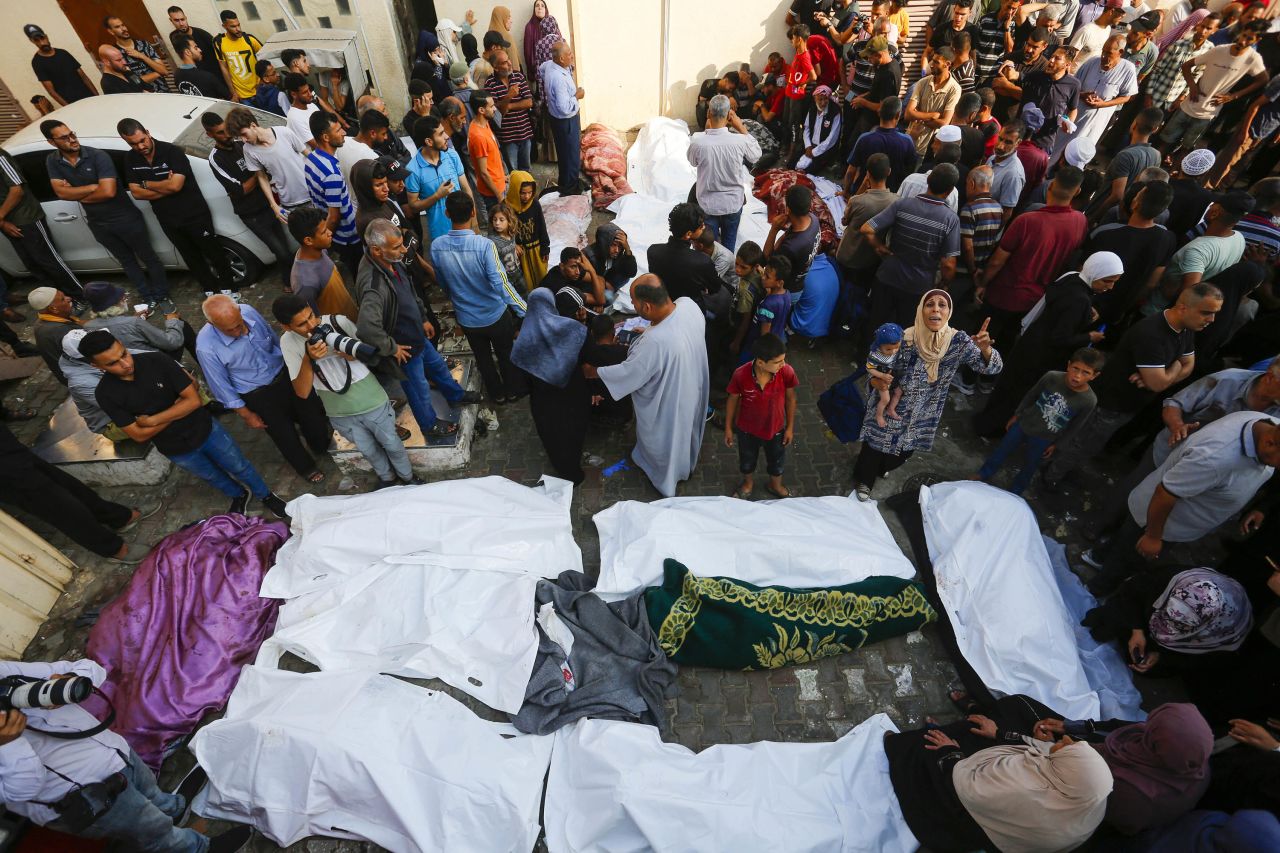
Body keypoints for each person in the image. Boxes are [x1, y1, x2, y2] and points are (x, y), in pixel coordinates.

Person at [0, 657, 253, 852]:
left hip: (113, 751)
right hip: (90, 796)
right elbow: (22, 789)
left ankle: (173, 808)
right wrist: (8, 743)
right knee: (155, 833)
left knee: (152, 793)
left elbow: (90, 668)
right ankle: (196, 848)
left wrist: (68, 678)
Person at [84, 330, 289, 519]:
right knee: (212, 476)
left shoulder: (157, 360)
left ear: (122, 344)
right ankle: (238, 494)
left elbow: (194, 401)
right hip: (175, 448)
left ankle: (265, 495)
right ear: (96, 366)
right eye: (113, 363)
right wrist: (177, 408)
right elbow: (138, 435)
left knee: (239, 466)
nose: (125, 363)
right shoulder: (105, 394)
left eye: (124, 354)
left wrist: (152, 420)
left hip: (206, 430)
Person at [1042, 283, 1219, 490]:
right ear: (1183, 308)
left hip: (1125, 406)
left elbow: (1189, 366)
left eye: (1214, 313)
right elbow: (1160, 381)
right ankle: (1050, 476)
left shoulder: (1185, 329)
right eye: (1206, 312)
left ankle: (1060, 470)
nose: (1211, 320)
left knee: (1090, 444)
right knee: (1081, 443)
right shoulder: (1152, 334)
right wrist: (1173, 367)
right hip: (1110, 403)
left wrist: (1166, 373)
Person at [1085, 411, 1278, 595]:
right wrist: (1153, 537)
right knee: (1128, 558)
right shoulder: (1215, 459)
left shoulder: (1268, 424)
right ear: (1270, 443)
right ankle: (1096, 588)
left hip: (1170, 522)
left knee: (1122, 544)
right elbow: (1164, 495)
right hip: (1156, 522)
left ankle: (1098, 556)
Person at [852, 290, 1000, 500]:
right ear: (921, 309)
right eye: (930, 304)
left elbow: (992, 368)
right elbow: (877, 366)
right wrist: (877, 382)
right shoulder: (904, 338)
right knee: (874, 446)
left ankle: (881, 466)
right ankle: (864, 480)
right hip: (891, 404)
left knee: (903, 452)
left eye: (942, 305)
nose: (936, 309)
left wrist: (985, 350)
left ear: (949, 311)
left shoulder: (957, 342)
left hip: (923, 412)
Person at [884, 721, 1112, 853]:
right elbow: (1045, 752)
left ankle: (897, 746)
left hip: (958, 815)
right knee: (977, 731)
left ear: (1067, 770)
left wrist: (950, 752)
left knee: (933, 746)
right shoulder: (1088, 797)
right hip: (993, 826)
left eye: (1066, 748)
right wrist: (999, 734)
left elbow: (966, 788)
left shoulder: (1021, 788)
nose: (1065, 741)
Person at [270, 294, 414, 490]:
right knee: (368, 451)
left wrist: (353, 356)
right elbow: (302, 393)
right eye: (302, 324)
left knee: (392, 444)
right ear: (286, 327)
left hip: (371, 401)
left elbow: (371, 354)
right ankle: (387, 479)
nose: (312, 325)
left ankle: (408, 478)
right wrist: (308, 359)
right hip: (338, 410)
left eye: (312, 315)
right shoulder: (287, 342)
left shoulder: (338, 323)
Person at [974, 250, 1119, 436]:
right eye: (1107, 280)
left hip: (1031, 342)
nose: (1111, 287)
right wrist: (1089, 337)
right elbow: (1060, 337)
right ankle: (993, 429)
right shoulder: (1079, 299)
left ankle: (987, 423)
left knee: (1008, 386)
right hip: (1041, 357)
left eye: (1114, 281)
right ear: (1095, 273)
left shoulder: (1072, 278)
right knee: (1018, 394)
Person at [592, 276, 710, 497]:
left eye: (635, 304)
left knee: (668, 437)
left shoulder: (654, 342)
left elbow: (630, 373)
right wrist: (649, 332)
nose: (634, 307)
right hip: (692, 382)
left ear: (647, 306)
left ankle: (664, 477)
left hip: (669, 398)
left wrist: (596, 372)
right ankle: (683, 466)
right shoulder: (688, 305)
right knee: (684, 431)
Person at [196, 295, 332, 482]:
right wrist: (247, 414)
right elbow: (221, 387)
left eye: (240, 323)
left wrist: (295, 363)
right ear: (211, 324)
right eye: (231, 330)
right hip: (257, 393)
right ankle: (306, 467)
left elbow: (274, 338)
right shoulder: (206, 347)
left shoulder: (248, 310)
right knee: (284, 434)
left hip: (285, 374)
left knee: (312, 414)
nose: (240, 331)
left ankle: (321, 445)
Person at [42, 120, 171, 307]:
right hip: (98, 223)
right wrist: (93, 187)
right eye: (65, 137)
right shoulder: (52, 161)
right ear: (52, 142)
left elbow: (108, 191)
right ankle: (147, 297)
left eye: (72, 134)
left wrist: (79, 194)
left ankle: (162, 295)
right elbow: (61, 193)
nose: (72, 139)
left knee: (149, 257)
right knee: (126, 261)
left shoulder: (97, 156)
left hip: (125, 218)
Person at [356, 220, 463, 441]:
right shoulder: (373, 285)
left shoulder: (391, 261)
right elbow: (367, 328)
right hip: (405, 350)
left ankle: (457, 395)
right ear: (376, 250)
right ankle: (429, 425)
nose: (404, 250)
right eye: (397, 247)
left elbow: (410, 291)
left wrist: (423, 317)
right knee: (419, 391)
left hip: (418, 337)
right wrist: (391, 348)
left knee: (439, 369)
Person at [972, 165, 1087, 362]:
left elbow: (998, 260)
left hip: (1004, 293)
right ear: (1077, 191)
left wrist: (983, 283)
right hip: (1037, 300)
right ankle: (988, 379)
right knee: (1008, 340)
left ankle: (968, 377)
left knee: (984, 336)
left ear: (1049, 187)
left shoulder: (1027, 220)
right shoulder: (1080, 221)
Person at [0, 423, 154, 562]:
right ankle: (113, 548)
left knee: (67, 484)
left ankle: (118, 517)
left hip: (9, 450)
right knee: (56, 505)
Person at [118, 118, 237, 296]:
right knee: (190, 257)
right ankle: (210, 289)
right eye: (133, 144)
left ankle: (230, 288)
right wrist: (162, 185)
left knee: (213, 252)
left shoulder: (171, 151)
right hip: (167, 219)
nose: (140, 146)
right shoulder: (130, 158)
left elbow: (175, 186)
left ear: (148, 133)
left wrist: (146, 183)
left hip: (194, 214)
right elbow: (136, 192)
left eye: (142, 140)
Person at [430, 192, 528, 402]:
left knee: (483, 358)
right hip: (495, 315)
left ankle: (497, 394)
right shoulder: (485, 246)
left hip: (467, 319)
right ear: (474, 212)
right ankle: (512, 391)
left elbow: (443, 282)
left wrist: (457, 299)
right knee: (505, 354)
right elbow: (502, 284)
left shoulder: (437, 246)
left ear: (447, 213)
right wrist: (525, 310)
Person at [1085, 565, 1255, 680]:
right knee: (1106, 622)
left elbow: (1196, 662)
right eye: (1168, 612)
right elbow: (1131, 592)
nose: (1167, 626)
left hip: (1174, 650)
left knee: (1140, 663)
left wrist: (1160, 657)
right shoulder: (1169, 580)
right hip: (1144, 614)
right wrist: (1137, 629)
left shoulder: (1221, 634)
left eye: (1181, 625)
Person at [976, 347, 1103, 494]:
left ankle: (1015, 492)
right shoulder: (1052, 377)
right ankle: (983, 473)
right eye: (1075, 368)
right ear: (1069, 365)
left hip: (1045, 438)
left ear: (1095, 375)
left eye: (1086, 372)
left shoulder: (1089, 400)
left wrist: (1057, 445)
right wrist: (1017, 415)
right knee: (1002, 450)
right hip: (1024, 424)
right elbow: (1031, 395)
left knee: (1031, 465)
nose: (1077, 376)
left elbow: (1076, 426)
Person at [861, 166, 962, 330]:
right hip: (918, 286)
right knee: (905, 329)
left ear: (928, 181)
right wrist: (944, 285)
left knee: (875, 322)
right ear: (950, 190)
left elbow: (867, 229)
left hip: (888, 275)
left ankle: (865, 353)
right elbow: (949, 265)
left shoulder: (902, 204)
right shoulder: (950, 220)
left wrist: (879, 247)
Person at [510, 287, 594, 483]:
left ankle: (567, 471)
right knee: (575, 430)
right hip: (575, 395)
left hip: (545, 404)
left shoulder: (522, 343)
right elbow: (590, 358)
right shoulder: (574, 330)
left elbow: (520, 387)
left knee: (554, 438)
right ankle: (575, 462)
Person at [200, 111, 295, 285]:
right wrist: (259, 174)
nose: (227, 134)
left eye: (226, 129)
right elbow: (241, 190)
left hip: (269, 205)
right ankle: (292, 282)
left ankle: (288, 281)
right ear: (210, 134)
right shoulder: (215, 159)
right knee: (280, 251)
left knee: (284, 249)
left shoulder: (242, 145)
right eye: (220, 132)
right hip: (252, 214)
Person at [1160, 21, 1269, 159]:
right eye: (1244, 35)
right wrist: (1192, 87)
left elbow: (1263, 80)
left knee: (1186, 149)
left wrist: (1234, 96)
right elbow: (1186, 66)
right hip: (1188, 105)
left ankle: (1178, 174)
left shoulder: (1253, 59)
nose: (1243, 40)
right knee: (1165, 142)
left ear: (1257, 40)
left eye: (1249, 38)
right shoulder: (1219, 50)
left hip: (1208, 113)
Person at [1087, 180, 1177, 328]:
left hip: (1091, 306)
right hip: (1120, 311)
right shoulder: (1168, 239)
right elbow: (1152, 283)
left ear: (1135, 203)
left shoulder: (1107, 235)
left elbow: (1084, 272)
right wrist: (1127, 306)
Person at [0, 147, 84, 299]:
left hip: (26, 218)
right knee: (32, 264)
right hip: (7, 222)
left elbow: (17, 190)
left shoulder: (1, 157)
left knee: (47, 261)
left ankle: (79, 296)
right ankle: (56, 300)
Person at [724, 333, 798, 499]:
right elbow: (732, 400)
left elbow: (791, 399)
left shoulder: (786, 372)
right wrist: (728, 428)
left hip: (777, 429)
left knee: (777, 461)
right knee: (747, 460)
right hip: (746, 431)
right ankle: (748, 484)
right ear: (760, 363)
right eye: (777, 362)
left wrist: (790, 428)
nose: (783, 364)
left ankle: (775, 485)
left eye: (783, 360)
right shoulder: (740, 375)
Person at [688, 95, 762, 252]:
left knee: (710, 248)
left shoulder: (698, 141)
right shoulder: (740, 141)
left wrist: (706, 132)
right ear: (730, 115)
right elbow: (756, 155)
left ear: (708, 113)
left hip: (708, 205)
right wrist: (741, 126)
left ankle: (712, 270)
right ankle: (727, 268)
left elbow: (692, 161)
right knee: (728, 248)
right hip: (733, 204)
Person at [225, 107, 311, 227]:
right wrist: (274, 205)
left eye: (244, 134)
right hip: (289, 204)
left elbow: (308, 154)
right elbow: (261, 177)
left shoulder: (283, 132)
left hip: (312, 194)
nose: (244, 140)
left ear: (253, 125)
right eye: (240, 137)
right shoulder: (248, 150)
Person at [1058, 34, 1138, 160]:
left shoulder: (1128, 69)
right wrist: (1083, 95)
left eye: (1109, 53)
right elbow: (1072, 88)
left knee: (1078, 156)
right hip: (1073, 118)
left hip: (1094, 125)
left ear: (1120, 52)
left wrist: (1102, 104)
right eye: (1103, 52)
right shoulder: (1091, 62)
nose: (1103, 56)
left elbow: (1127, 96)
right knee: (1058, 151)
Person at [303, 110, 362, 277]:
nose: (344, 132)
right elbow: (334, 216)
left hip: (339, 237)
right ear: (325, 137)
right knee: (361, 275)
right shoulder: (331, 174)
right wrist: (324, 241)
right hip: (348, 237)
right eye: (338, 130)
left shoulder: (312, 158)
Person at [83, 281, 195, 363]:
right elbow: (172, 343)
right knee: (183, 327)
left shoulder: (88, 327)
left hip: (128, 363)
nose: (124, 299)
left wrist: (133, 319)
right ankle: (206, 363)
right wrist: (172, 320)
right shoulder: (134, 322)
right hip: (155, 363)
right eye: (121, 298)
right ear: (115, 304)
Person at [405, 114, 473, 242]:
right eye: (441, 134)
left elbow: (466, 189)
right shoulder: (413, 170)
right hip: (440, 235)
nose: (447, 136)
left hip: (464, 228)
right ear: (429, 141)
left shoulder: (452, 155)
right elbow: (413, 206)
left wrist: (472, 219)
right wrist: (437, 195)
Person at [285, 204, 359, 318]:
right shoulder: (305, 284)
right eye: (324, 232)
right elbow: (314, 322)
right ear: (308, 240)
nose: (330, 233)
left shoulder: (320, 250)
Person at [648, 202, 725, 309]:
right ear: (688, 234)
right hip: (692, 309)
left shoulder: (653, 251)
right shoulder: (702, 261)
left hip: (663, 305)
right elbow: (715, 287)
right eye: (701, 226)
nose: (704, 227)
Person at [835, 153, 897, 281]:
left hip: (847, 256)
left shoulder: (857, 201)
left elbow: (845, 221)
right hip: (870, 260)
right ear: (889, 172)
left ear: (867, 174)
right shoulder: (896, 201)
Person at [1144, 12, 1221, 115]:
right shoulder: (1178, 45)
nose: (1203, 31)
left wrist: (1181, 98)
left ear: (1215, 30)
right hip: (1156, 95)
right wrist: (1148, 94)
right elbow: (1157, 69)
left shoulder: (1209, 51)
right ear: (1198, 25)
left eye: (1208, 28)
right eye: (1202, 26)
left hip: (1173, 102)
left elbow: (1196, 76)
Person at [843, 97, 917, 193]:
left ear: (879, 113)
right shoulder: (907, 141)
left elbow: (851, 171)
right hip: (891, 195)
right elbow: (909, 172)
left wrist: (846, 192)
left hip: (862, 194)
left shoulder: (865, 139)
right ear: (898, 115)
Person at [541, 41, 584, 195]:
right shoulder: (557, 78)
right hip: (566, 121)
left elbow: (541, 69)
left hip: (557, 119)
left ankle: (565, 183)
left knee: (564, 154)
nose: (572, 56)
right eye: (568, 54)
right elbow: (564, 108)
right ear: (560, 59)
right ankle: (571, 190)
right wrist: (577, 96)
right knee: (571, 157)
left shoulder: (548, 65)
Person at [764, 185, 821, 294]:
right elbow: (787, 236)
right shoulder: (813, 219)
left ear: (788, 209)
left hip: (788, 290)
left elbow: (767, 257)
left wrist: (774, 230)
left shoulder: (791, 248)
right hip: (801, 280)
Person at [484, 49, 535, 173]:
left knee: (526, 169)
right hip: (507, 137)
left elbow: (529, 102)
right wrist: (509, 96)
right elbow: (495, 112)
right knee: (513, 171)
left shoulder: (518, 76)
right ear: (496, 68)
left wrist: (509, 106)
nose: (510, 63)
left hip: (524, 132)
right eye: (505, 62)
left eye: (509, 60)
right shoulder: (489, 84)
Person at [906, 48, 963, 156]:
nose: (931, 65)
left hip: (929, 149)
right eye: (932, 60)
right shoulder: (922, 82)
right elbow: (908, 114)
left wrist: (918, 117)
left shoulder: (955, 89)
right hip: (911, 142)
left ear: (947, 64)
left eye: (936, 62)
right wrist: (933, 115)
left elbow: (944, 123)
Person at [168, 5, 233, 96]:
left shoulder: (202, 35)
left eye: (182, 19)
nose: (181, 23)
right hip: (199, 82)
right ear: (171, 21)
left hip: (216, 79)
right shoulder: (174, 37)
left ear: (186, 18)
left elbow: (221, 58)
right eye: (176, 20)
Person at [26, 24, 97, 106]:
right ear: (32, 41)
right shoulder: (37, 62)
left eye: (42, 38)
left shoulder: (63, 53)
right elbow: (51, 91)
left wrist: (97, 96)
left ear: (46, 37)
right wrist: (68, 108)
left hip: (89, 97)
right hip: (72, 104)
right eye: (36, 40)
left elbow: (83, 76)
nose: (42, 43)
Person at [505, 171, 549, 292]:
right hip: (520, 254)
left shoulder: (534, 204)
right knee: (526, 284)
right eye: (523, 193)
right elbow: (501, 233)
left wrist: (545, 247)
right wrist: (513, 244)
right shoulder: (506, 208)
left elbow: (542, 225)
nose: (527, 196)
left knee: (542, 278)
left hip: (536, 249)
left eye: (530, 192)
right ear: (514, 190)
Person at [781, 25, 818, 162]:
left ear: (800, 39)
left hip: (797, 96)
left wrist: (803, 83)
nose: (792, 40)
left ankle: (792, 154)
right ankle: (786, 147)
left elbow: (814, 76)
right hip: (790, 92)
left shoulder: (805, 57)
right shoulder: (798, 52)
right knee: (787, 121)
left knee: (794, 124)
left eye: (794, 38)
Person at [104, 15, 168, 93]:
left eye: (123, 25)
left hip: (164, 91)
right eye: (117, 27)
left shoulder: (144, 44)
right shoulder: (116, 53)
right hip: (143, 97)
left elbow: (164, 71)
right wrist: (158, 73)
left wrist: (142, 56)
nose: (123, 29)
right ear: (110, 31)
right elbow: (130, 82)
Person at [467, 92, 507, 217]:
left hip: (498, 184)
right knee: (499, 226)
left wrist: (502, 177)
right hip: (493, 193)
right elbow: (483, 172)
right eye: (491, 106)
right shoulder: (479, 137)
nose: (495, 108)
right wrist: (499, 196)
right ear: (481, 110)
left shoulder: (484, 124)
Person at [28, 287, 78, 381]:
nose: (69, 298)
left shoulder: (41, 321)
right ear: (53, 309)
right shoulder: (62, 331)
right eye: (63, 299)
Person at [213, 10, 263, 102]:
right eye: (233, 26)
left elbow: (265, 58)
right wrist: (233, 93)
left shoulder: (249, 39)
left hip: (260, 90)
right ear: (224, 26)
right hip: (241, 95)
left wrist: (263, 81)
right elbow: (223, 68)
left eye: (238, 25)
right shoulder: (219, 42)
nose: (238, 29)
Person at [795, 85, 842, 173]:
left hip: (824, 149)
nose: (823, 103)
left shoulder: (835, 112)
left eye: (826, 99)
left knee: (808, 171)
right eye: (820, 99)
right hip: (810, 146)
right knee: (791, 164)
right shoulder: (812, 109)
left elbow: (832, 139)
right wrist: (808, 146)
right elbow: (806, 128)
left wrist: (814, 152)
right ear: (814, 98)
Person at [866, 322, 905, 428]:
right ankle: (879, 416)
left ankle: (890, 409)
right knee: (885, 399)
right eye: (888, 349)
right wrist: (882, 376)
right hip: (880, 376)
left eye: (896, 348)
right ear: (879, 344)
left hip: (892, 374)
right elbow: (869, 368)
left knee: (898, 392)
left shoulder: (895, 347)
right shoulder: (875, 354)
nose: (893, 352)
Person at [539, 247, 606, 307]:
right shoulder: (558, 284)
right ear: (562, 266)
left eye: (579, 266)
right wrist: (592, 271)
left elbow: (600, 279)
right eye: (573, 267)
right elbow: (601, 301)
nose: (578, 272)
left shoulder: (574, 270)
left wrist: (599, 299)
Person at [583, 222, 637, 294]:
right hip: (591, 283)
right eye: (613, 245)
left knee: (626, 273)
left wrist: (627, 250)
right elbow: (582, 280)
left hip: (604, 276)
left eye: (620, 246)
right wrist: (605, 284)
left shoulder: (616, 253)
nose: (617, 250)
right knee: (607, 299)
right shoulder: (588, 257)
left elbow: (631, 273)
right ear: (604, 243)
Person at [171, 32, 229, 99]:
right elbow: (229, 98)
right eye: (195, 48)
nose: (200, 50)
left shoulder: (177, 75)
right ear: (188, 52)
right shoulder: (207, 77)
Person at [283, 73, 320, 146]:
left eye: (309, 90)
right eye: (305, 92)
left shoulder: (312, 105)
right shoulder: (294, 118)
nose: (310, 94)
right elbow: (316, 145)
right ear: (294, 94)